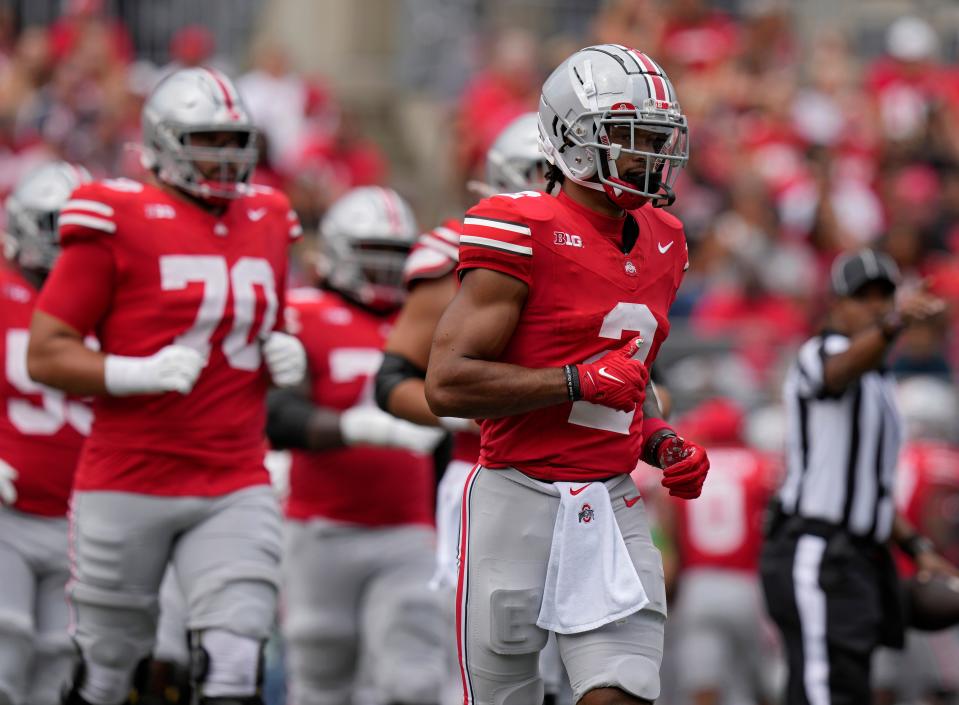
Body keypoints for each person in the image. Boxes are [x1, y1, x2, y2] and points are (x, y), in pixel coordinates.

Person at [425, 44, 710, 705]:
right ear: (572, 139)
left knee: (626, 687)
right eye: (626, 137)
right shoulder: (518, 226)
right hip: (516, 493)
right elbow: (448, 382)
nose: (645, 156)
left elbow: (627, 378)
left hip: (607, 498)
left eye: (654, 139)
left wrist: (660, 438)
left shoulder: (666, 238)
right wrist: (572, 381)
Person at [26, 67, 306, 705]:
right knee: (108, 671)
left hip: (234, 474)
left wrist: (282, 348)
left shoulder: (268, 214)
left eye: (236, 141)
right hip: (130, 473)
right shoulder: (116, 215)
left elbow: (266, 323)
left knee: (236, 660)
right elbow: (47, 352)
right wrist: (131, 372)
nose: (226, 156)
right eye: (208, 139)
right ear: (163, 140)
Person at [374, 111, 549, 705]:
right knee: (480, 658)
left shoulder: (609, 247)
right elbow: (394, 379)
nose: (553, 187)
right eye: (538, 172)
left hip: (583, 480)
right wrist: (471, 408)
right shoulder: (458, 250)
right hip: (486, 470)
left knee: (580, 661)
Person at [265, 186, 445, 705]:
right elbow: (278, 416)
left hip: (407, 527)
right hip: (321, 524)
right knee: (321, 673)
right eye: (374, 255)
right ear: (340, 251)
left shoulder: (421, 322)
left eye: (397, 257)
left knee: (413, 678)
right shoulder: (306, 312)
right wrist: (359, 429)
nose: (387, 271)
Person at [760, 249, 959, 705]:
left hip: (859, 557)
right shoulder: (819, 352)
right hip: (816, 549)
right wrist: (892, 325)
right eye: (861, 296)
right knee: (823, 691)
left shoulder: (881, 382)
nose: (874, 306)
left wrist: (918, 548)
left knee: (848, 688)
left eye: (883, 296)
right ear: (835, 304)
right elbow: (837, 371)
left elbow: (871, 491)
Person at [0, 161, 91, 705]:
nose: (65, 247)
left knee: (60, 669)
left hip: (83, 519)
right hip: (6, 509)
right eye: (55, 229)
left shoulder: (117, 305)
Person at [664, 398, 781, 705]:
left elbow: (669, 528)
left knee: (704, 687)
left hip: (698, 584)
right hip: (750, 584)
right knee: (765, 683)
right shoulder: (761, 466)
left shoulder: (687, 465)